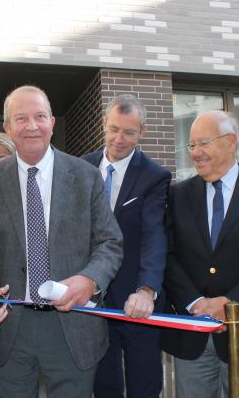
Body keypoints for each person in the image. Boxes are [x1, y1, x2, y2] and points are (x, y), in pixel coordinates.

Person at [0, 85, 124, 398]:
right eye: (21, 119)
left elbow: (110, 243)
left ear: (52, 123)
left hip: (73, 325)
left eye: (39, 117)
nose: (31, 126)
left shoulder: (85, 176)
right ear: (8, 128)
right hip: (7, 328)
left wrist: (90, 280)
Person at [161, 110, 239, 398]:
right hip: (191, 333)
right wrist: (195, 303)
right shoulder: (176, 196)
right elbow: (167, 256)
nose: (195, 153)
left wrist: (231, 304)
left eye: (203, 143)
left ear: (231, 142)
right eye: (191, 145)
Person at [81, 94, 170, 398]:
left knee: (144, 383)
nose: (119, 139)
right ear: (104, 124)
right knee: (103, 384)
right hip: (92, 298)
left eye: (129, 132)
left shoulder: (154, 176)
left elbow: (154, 236)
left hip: (136, 302)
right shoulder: (81, 168)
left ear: (142, 132)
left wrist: (146, 289)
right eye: (114, 129)